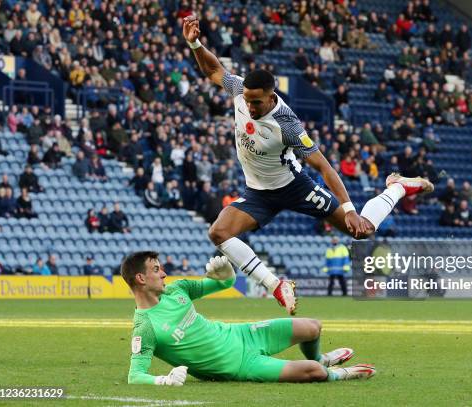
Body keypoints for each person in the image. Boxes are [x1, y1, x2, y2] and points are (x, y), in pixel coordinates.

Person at [183, 15, 433, 314]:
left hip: (295, 187)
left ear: (271, 96)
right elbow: (214, 68)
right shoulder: (240, 91)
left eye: (257, 103)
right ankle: (277, 286)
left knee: (362, 231)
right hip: (258, 192)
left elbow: (324, 166)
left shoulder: (287, 124)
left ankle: (398, 187)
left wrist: (351, 210)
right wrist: (194, 43)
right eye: (247, 101)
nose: (250, 107)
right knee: (218, 233)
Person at [122, 252, 374, 385]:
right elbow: (136, 376)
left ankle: (323, 357)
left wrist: (226, 272)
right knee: (314, 372)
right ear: (141, 279)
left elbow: (226, 283)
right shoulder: (145, 327)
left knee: (312, 327)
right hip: (240, 366)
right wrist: (164, 381)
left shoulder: (178, 289)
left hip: (241, 334)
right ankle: (341, 373)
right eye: (156, 270)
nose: (164, 273)